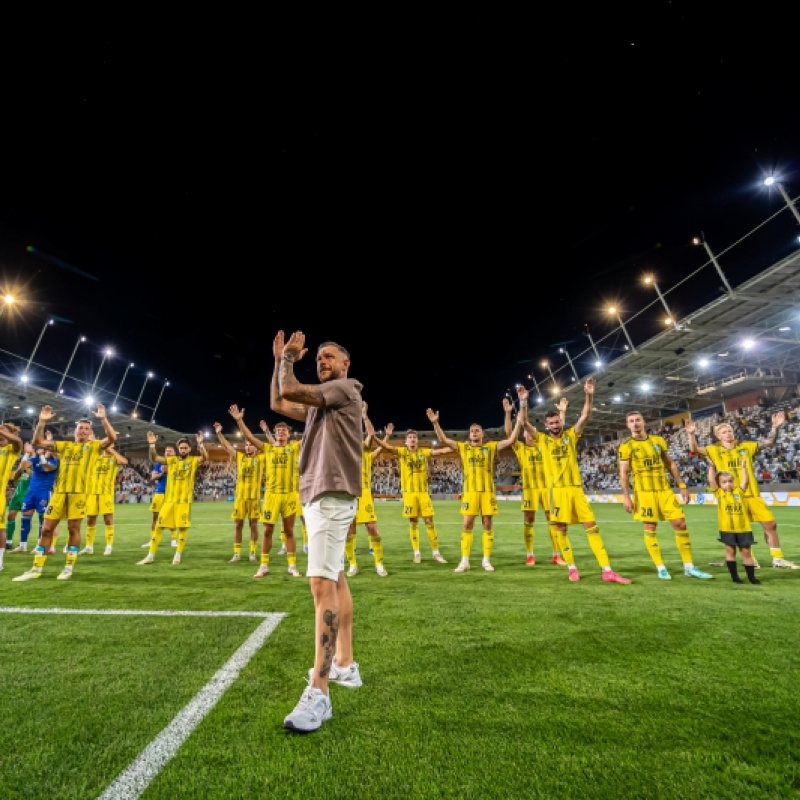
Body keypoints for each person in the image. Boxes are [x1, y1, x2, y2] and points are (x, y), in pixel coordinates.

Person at [272, 330, 363, 734]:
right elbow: (278, 400)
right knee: (336, 577)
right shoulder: (319, 407)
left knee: (320, 585)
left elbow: (290, 387)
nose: (322, 360)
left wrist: (287, 362)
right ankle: (345, 664)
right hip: (320, 495)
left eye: (329, 356)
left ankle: (320, 692)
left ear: (346, 364)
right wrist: (279, 362)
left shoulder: (344, 389)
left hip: (329, 494)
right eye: (319, 357)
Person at [516, 381, 631, 584]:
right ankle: (571, 568)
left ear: (561, 422)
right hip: (557, 492)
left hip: (576, 490)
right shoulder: (542, 440)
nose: (554, 425)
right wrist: (523, 402)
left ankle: (607, 570)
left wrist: (589, 395)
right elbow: (524, 424)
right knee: (561, 529)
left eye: (556, 422)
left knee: (591, 526)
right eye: (550, 423)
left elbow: (585, 416)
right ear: (546, 426)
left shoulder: (571, 436)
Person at [13, 405, 116, 582]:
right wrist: (42, 421)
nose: (83, 431)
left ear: (90, 432)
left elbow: (112, 438)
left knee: (73, 529)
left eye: (86, 429)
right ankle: (36, 568)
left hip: (79, 493)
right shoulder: (65, 446)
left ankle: (68, 567)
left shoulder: (94, 447)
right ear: (75, 431)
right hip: (59, 492)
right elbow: (38, 442)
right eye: (80, 428)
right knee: (46, 529)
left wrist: (103, 419)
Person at [685, 414, 799, 569]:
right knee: (742, 528)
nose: (728, 433)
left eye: (730, 431)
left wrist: (774, 427)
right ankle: (751, 559)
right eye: (724, 432)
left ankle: (778, 559)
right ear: (718, 436)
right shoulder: (714, 450)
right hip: (733, 497)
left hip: (752, 493)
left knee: (770, 524)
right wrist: (691, 434)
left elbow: (769, 442)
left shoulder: (746, 447)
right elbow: (694, 449)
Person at [426, 404, 523, 573]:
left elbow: (511, 440)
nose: (474, 432)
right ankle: (465, 561)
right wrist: (435, 423)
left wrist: (512, 417)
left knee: (487, 524)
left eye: (477, 430)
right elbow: (443, 440)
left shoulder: (490, 447)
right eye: (472, 431)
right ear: (469, 435)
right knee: (467, 524)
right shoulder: (464, 448)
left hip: (487, 492)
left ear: (482, 434)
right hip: (470, 492)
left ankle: (486, 560)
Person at [618, 411, 711, 580]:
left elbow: (671, 464)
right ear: (627, 425)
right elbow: (623, 473)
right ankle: (660, 567)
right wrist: (626, 496)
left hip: (664, 490)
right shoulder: (626, 446)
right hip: (644, 493)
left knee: (680, 524)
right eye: (631, 421)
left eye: (638, 420)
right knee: (650, 527)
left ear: (644, 421)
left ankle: (689, 567)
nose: (635, 423)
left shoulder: (658, 441)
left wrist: (682, 485)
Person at [229, 407, 302, 579]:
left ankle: (292, 566)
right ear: (275, 434)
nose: (281, 432)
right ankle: (263, 566)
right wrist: (239, 421)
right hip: (271, 495)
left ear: (288, 435)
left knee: (289, 531)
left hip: (289, 495)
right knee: (268, 530)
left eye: (284, 430)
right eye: (278, 430)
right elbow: (249, 437)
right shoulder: (268, 449)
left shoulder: (294, 448)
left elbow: (313, 434)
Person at [375, 420, 450, 565]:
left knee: (429, 521)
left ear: (418, 440)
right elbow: (385, 447)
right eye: (409, 437)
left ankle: (436, 553)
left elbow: (440, 451)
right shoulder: (402, 452)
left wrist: (455, 448)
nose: (412, 439)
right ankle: (417, 553)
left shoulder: (424, 452)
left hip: (423, 493)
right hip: (409, 493)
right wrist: (385, 436)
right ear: (405, 442)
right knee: (413, 522)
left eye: (414, 437)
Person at [504, 395, 567, 566]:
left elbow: (560, 432)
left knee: (553, 520)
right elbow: (509, 433)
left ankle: (556, 555)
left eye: (531, 434)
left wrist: (562, 412)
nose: (529, 437)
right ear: (524, 437)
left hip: (548, 488)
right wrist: (508, 414)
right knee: (529, 520)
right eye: (526, 435)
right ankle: (530, 554)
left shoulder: (545, 444)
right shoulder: (521, 449)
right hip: (530, 489)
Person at [137, 431, 208, 565]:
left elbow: (204, 457)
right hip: (169, 501)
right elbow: (155, 458)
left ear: (190, 449)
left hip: (184, 502)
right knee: (158, 526)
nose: (183, 450)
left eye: (185, 448)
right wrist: (152, 445)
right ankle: (150, 556)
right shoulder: (172, 460)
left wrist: (201, 444)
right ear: (178, 449)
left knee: (182, 528)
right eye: (181, 448)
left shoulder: (193, 461)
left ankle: (177, 555)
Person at [344, 402, 388, 578]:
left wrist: (364, 415)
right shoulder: (344, 449)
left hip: (364, 493)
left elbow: (370, 433)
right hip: (348, 494)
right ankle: (352, 563)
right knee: (349, 530)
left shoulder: (365, 449)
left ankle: (379, 563)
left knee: (372, 528)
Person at [214, 418, 264, 563]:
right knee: (238, 524)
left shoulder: (262, 458)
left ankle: (252, 552)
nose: (248, 447)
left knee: (253, 525)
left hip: (254, 498)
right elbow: (227, 447)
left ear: (256, 447)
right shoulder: (240, 457)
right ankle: (236, 554)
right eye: (246, 445)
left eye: (251, 445)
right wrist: (219, 434)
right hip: (240, 498)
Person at [707, 455, 760, 585]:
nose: (728, 484)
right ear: (719, 484)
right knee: (730, 552)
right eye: (724, 482)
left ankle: (752, 577)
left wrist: (743, 468)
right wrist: (711, 467)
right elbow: (711, 482)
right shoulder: (719, 494)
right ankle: (735, 577)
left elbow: (745, 481)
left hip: (743, 528)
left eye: (730, 481)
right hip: (727, 529)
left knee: (746, 552)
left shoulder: (739, 491)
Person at [79, 442, 128, 556]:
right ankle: (89, 546)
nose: (107, 446)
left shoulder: (113, 459)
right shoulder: (95, 458)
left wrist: (112, 451)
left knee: (108, 519)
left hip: (106, 493)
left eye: (110, 444)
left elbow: (124, 462)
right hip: (92, 493)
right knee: (90, 519)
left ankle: (109, 546)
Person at [141, 445, 177, 549]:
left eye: (170, 451)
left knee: (172, 517)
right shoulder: (159, 463)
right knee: (155, 517)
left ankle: (174, 540)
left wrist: (169, 471)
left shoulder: (177, 463)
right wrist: (162, 473)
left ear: (174, 453)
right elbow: (153, 477)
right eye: (166, 451)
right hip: (160, 493)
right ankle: (152, 539)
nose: (168, 452)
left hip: (171, 494)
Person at [0, 423, 23, 572]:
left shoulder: (10, 450)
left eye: (3, 431)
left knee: (0, 529)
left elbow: (18, 442)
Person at [5, 442, 34, 551]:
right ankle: (8, 542)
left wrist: (25, 463)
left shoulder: (36, 461)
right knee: (10, 516)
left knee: (25, 519)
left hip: (28, 493)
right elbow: (16, 477)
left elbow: (33, 475)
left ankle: (23, 543)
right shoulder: (24, 461)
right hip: (18, 492)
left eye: (28, 446)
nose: (26, 448)